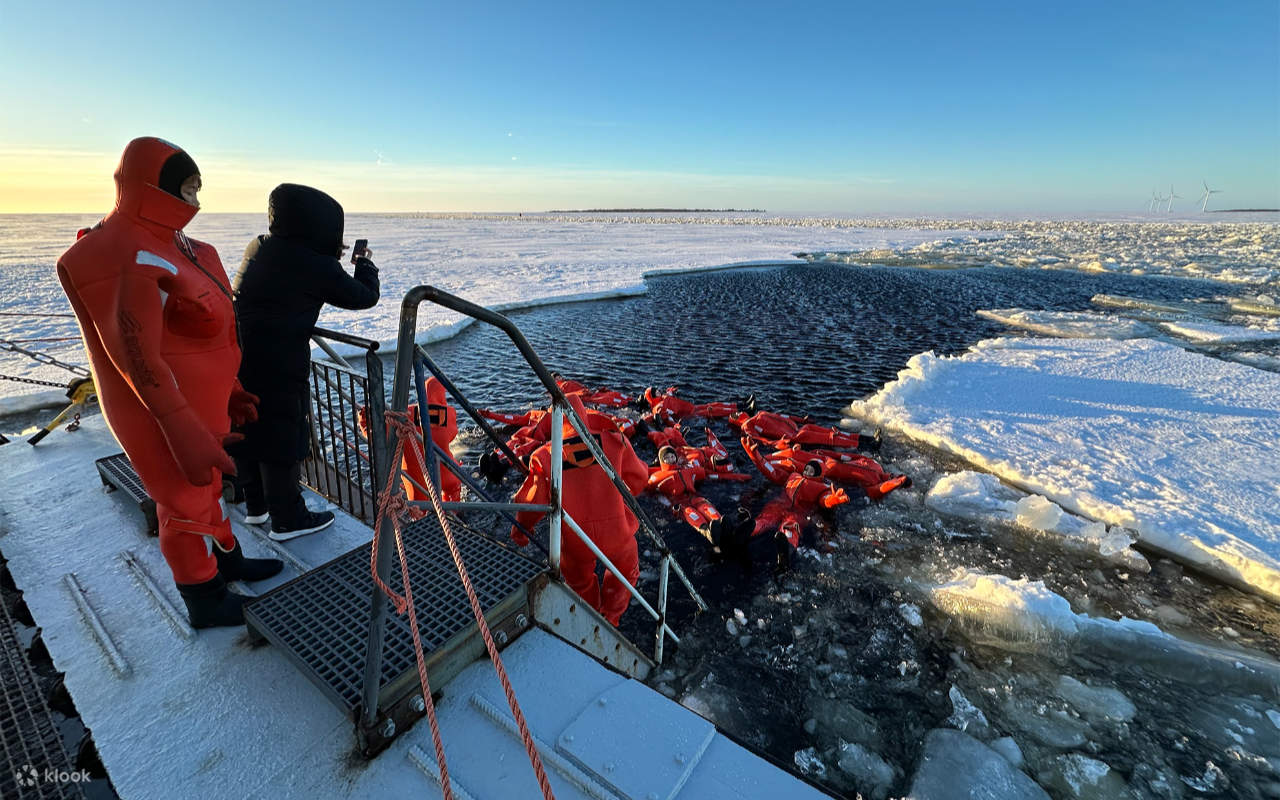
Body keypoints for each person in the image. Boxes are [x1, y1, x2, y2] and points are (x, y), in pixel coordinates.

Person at [56, 137, 282, 628]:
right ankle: (203, 595)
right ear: (147, 185)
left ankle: (227, 558)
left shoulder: (183, 246)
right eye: (185, 189)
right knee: (182, 500)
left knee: (208, 489)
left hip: (203, 405)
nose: (195, 203)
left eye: (198, 189)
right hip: (163, 413)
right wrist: (180, 427)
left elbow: (209, 333)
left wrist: (230, 389)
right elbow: (134, 356)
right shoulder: (116, 252)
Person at [231, 184, 380, 540]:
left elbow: (294, 279)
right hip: (279, 363)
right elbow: (364, 297)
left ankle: (256, 507)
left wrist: (327, 257)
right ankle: (288, 519)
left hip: (238, 356)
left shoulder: (261, 246)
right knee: (283, 434)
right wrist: (365, 264)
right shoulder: (314, 265)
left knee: (249, 427)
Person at [510, 396, 648, 625]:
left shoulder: (545, 455)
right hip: (618, 532)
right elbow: (639, 480)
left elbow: (531, 502)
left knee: (580, 583)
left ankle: (591, 619)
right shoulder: (615, 441)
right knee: (625, 572)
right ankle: (611, 617)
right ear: (585, 416)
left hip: (575, 542)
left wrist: (521, 531)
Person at [646, 446, 750, 550]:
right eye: (666, 458)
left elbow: (702, 472)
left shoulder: (686, 469)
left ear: (676, 458)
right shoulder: (657, 477)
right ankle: (707, 532)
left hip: (693, 497)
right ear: (662, 461)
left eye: (672, 456)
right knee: (690, 512)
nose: (670, 459)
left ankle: (723, 525)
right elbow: (648, 487)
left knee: (704, 505)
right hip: (679, 503)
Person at [730, 409, 879, 451]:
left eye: (736, 412)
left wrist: (802, 420)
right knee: (829, 438)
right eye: (734, 415)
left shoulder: (759, 413)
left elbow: (782, 415)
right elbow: (758, 440)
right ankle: (867, 446)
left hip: (799, 428)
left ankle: (866, 438)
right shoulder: (746, 426)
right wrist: (776, 444)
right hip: (795, 437)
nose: (737, 413)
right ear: (736, 421)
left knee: (831, 432)